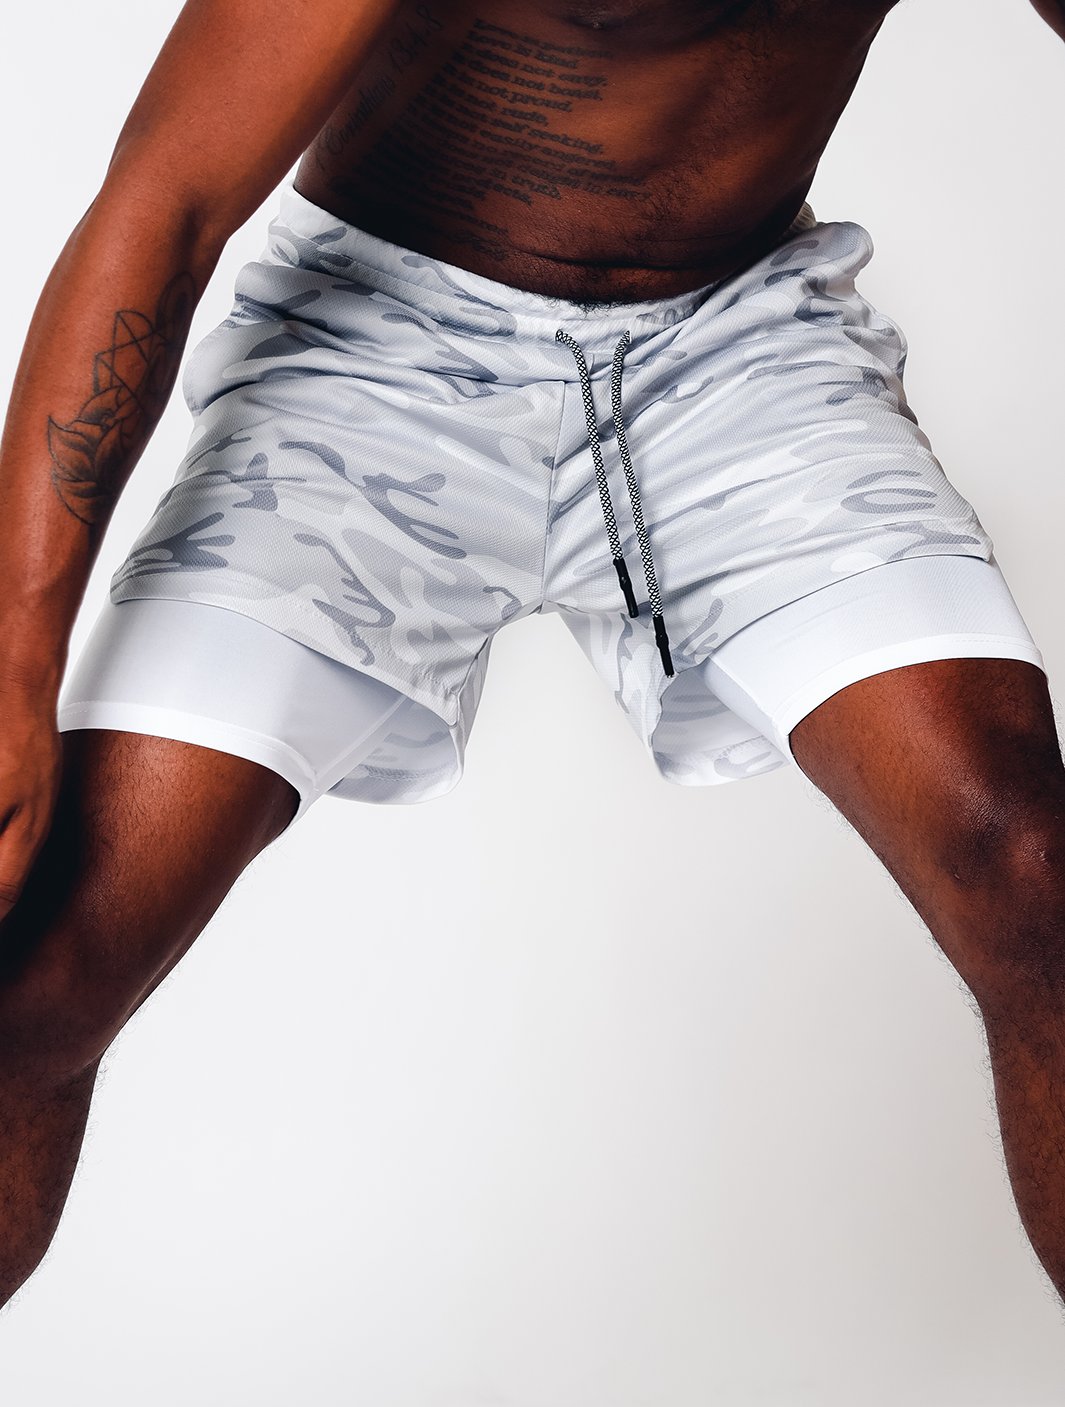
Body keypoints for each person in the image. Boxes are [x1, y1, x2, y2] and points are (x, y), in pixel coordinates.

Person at [2, 0, 1065, 1317]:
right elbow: (166, 199)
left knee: (1029, 870)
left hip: (738, 346)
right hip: (381, 350)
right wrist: (13, 661)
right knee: (44, 965)